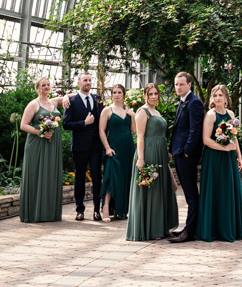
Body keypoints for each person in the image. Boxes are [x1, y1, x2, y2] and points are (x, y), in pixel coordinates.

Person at [126, 84, 179, 241]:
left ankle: (161, 227)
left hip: (160, 154)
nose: (154, 96)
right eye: (151, 94)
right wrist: (141, 158)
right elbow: (140, 136)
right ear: (145, 96)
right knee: (151, 189)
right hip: (148, 153)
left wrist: (166, 152)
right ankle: (150, 229)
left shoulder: (157, 112)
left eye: (156, 93)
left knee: (161, 189)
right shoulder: (142, 111)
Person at [197, 85, 242, 242]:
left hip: (228, 158)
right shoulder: (210, 115)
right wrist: (223, 148)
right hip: (214, 158)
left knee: (228, 191)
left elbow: (234, 136)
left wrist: (238, 155)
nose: (217, 98)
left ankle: (229, 228)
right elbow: (206, 139)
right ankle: (213, 230)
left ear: (226, 98)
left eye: (220, 95)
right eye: (215, 95)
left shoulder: (231, 114)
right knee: (216, 190)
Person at [18, 77, 71, 223]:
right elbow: (23, 125)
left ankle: (49, 213)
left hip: (52, 145)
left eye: (48, 85)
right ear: (37, 88)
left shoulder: (52, 102)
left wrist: (66, 96)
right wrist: (40, 132)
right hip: (37, 144)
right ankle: (34, 213)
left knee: (50, 176)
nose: (47, 87)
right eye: (43, 85)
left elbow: (73, 96)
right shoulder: (33, 104)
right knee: (36, 175)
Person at [62, 72, 104, 221]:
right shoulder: (71, 101)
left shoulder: (97, 99)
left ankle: (97, 211)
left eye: (90, 80)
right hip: (80, 147)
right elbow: (65, 124)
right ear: (78, 83)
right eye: (85, 80)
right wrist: (83, 123)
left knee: (96, 177)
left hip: (96, 146)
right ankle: (80, 210)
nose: (88, 82)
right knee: (79, 178)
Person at [168, 72, 203, 243]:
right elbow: (178, 129)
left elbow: (195, 129)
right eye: (176, 84)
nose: (178, 87)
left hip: (186, 154)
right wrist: (171, 149)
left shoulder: (194, 102)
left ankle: (189, 232)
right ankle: (189, 227)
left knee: (191, 194)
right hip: (179, 151)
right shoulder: (183, 102)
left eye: (181, 84)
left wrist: (187, 150)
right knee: (188, 193)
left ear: (189, 85)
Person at [98, 84, 136, 221]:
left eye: (119, 92)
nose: (117, 95)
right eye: (114, 92)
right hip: (114, 147)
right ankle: (106, 207)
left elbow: (133, 130)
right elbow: (101, 131)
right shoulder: (107, 110)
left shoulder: (128, 110)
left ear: (123, 94)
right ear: (111, 94)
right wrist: (107, 147)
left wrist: (132, 116)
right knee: (111, 176)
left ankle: (122, 210)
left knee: (126, 178)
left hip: (128, 148)